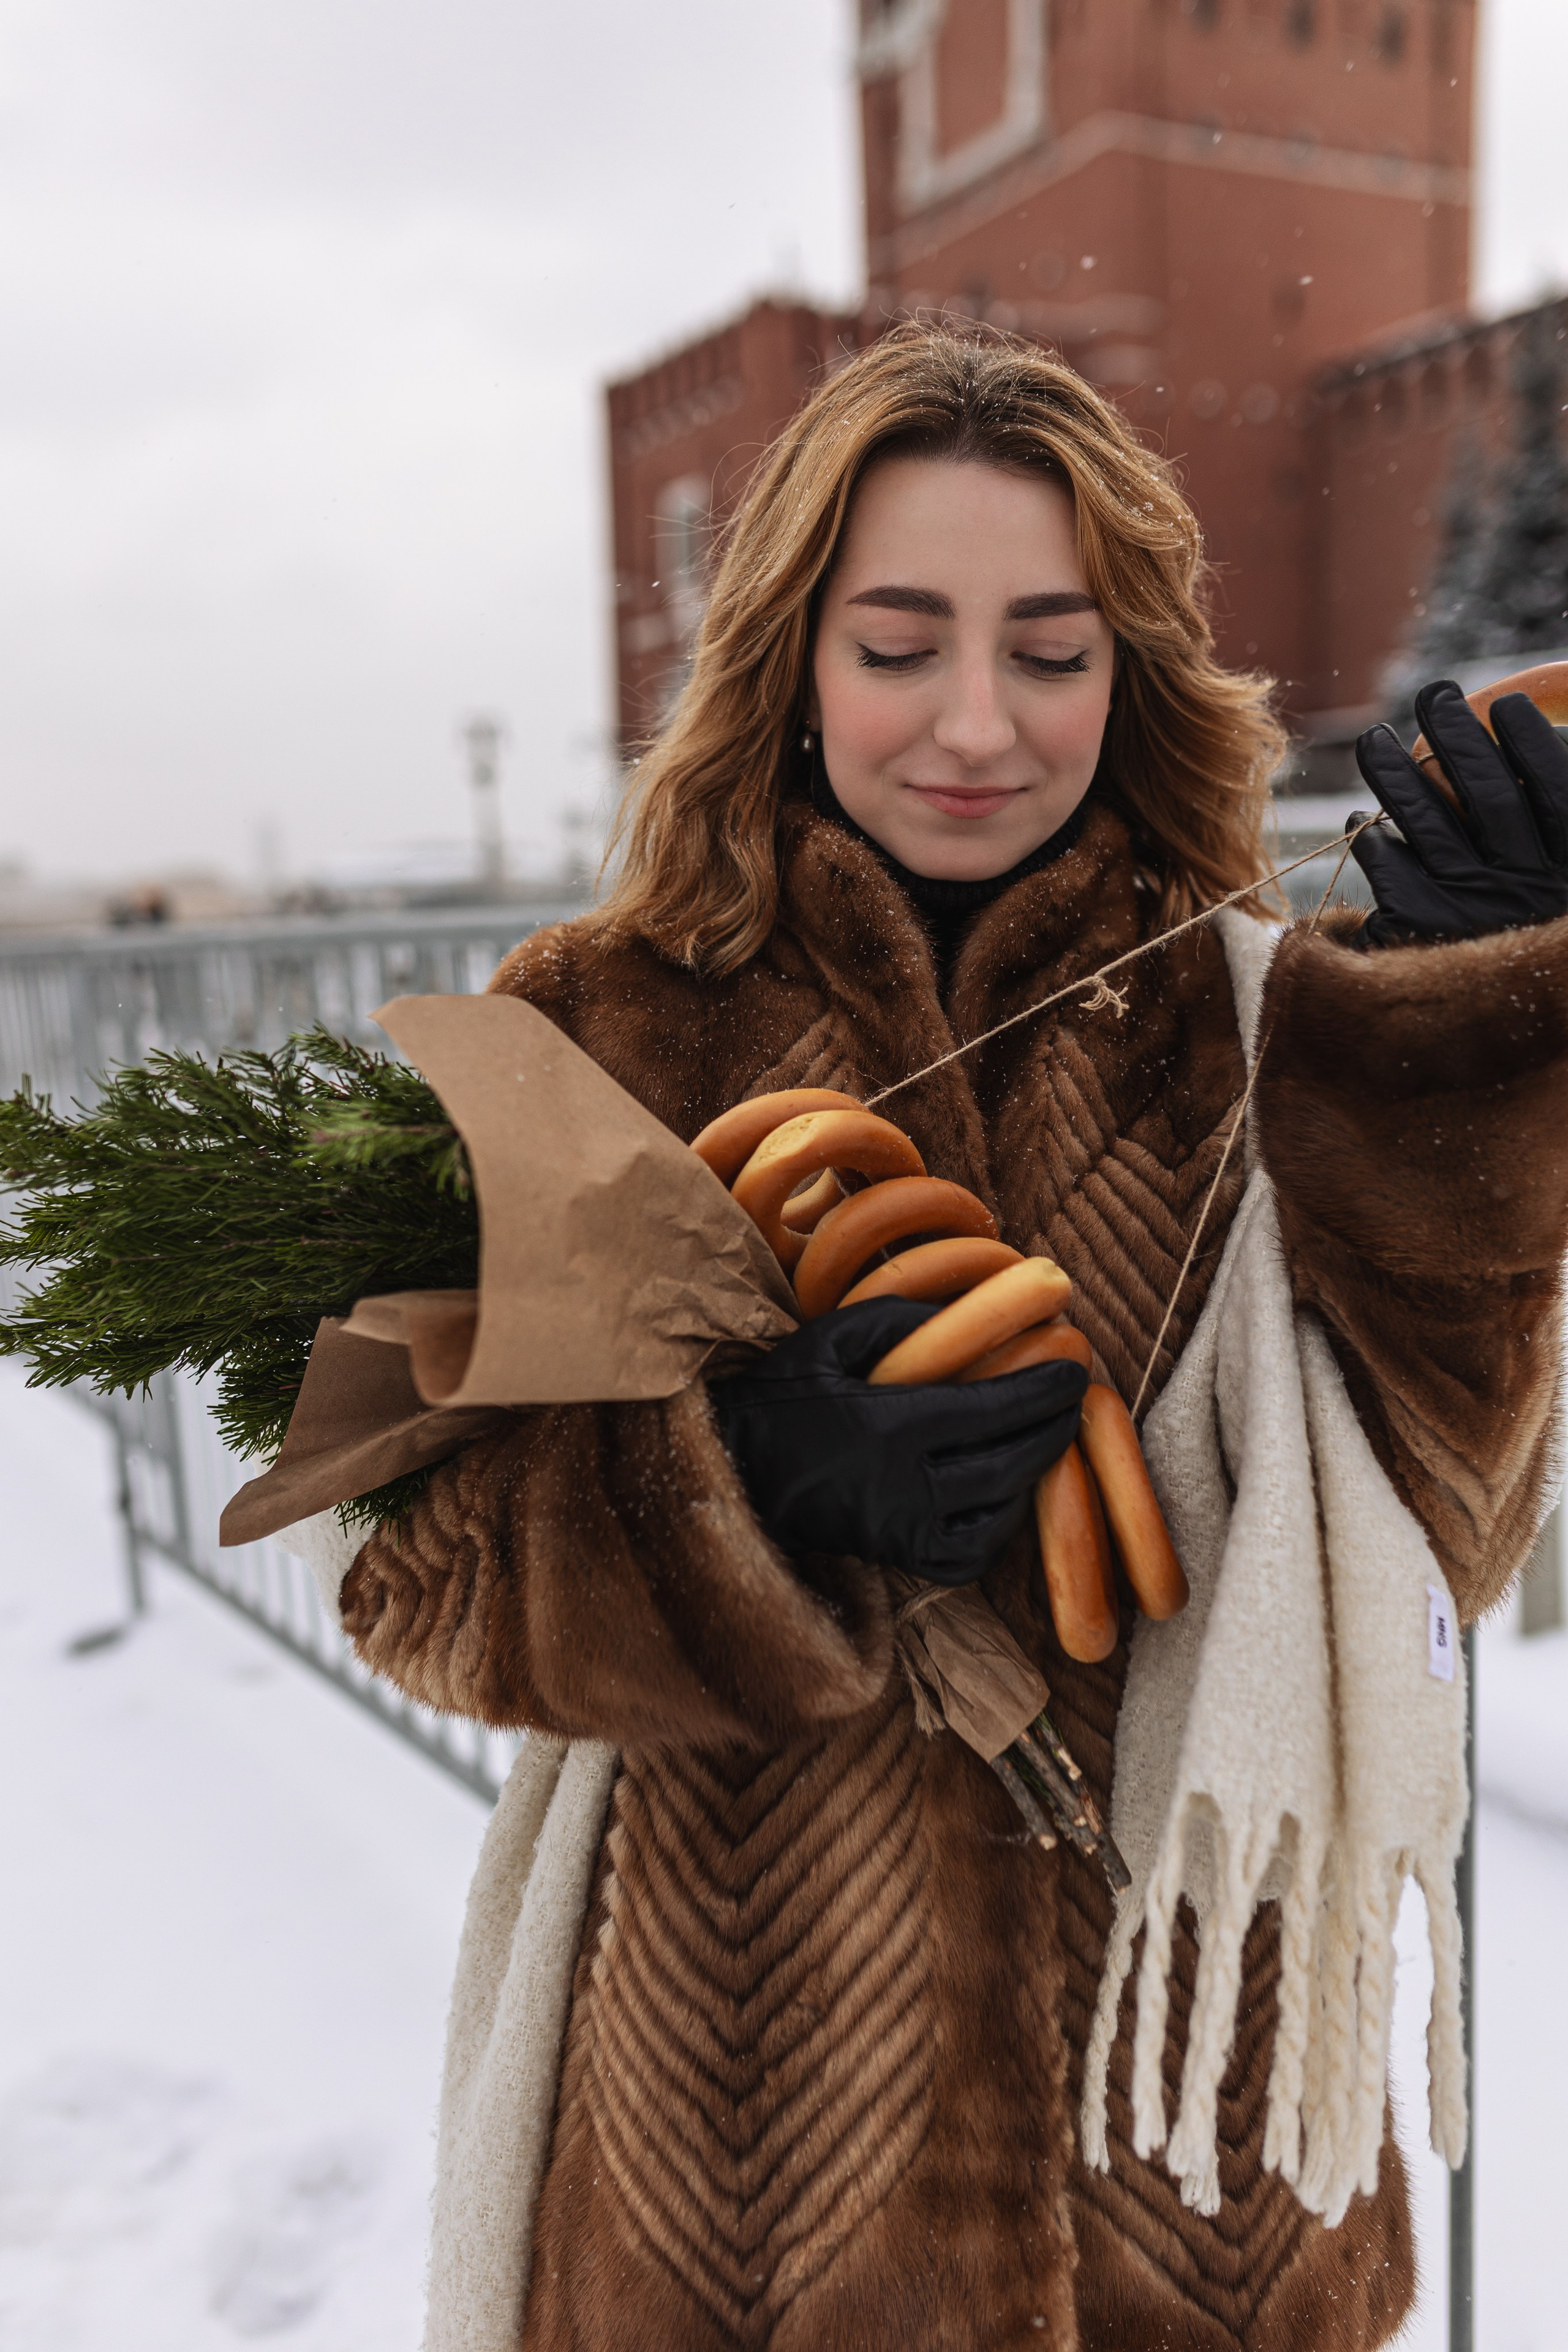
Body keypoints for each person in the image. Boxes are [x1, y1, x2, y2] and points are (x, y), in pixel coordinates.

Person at [340, 325, 1568, 2351]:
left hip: (1205, 2168)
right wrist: (742, 1481)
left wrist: (1458, 1031)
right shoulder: (602, 1028)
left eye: (1053, 651)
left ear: (1135, 669)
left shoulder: (1276, 1025)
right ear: (791, 655)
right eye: (899, 643)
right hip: (736, 2199)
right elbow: (412, 1568)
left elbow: (1441, 1532)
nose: (976, 724)